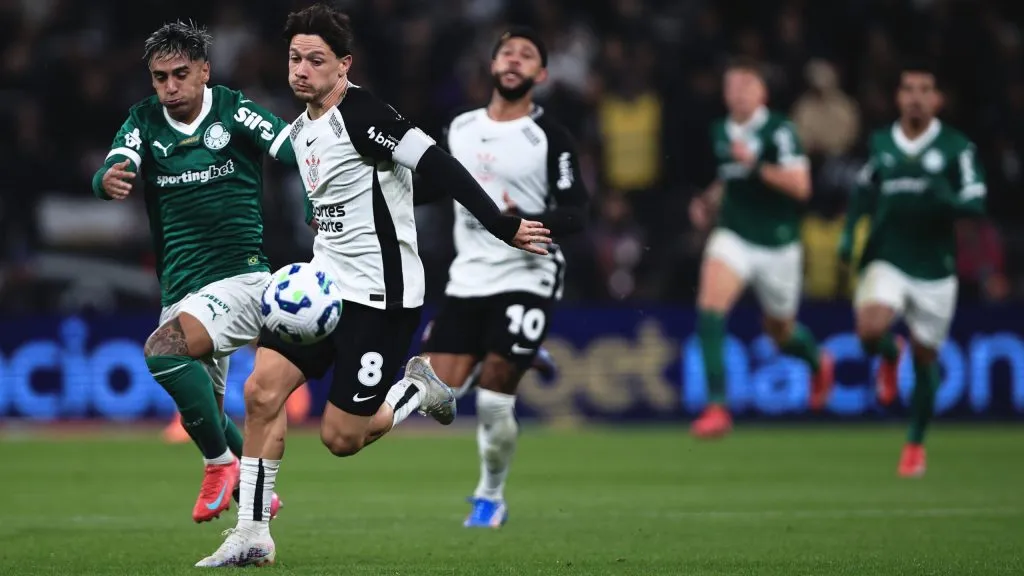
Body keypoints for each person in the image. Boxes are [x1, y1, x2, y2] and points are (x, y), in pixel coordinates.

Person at [196, 4, 551, 567]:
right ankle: (252, 533)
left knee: (341, 439)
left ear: (344, 65)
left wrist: (501, 225)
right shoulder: (300, 129)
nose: (301, 70)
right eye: (295, 59)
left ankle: (419, 387)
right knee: (261, 393)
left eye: (316, 60)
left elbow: (438, 163)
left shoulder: (365, 115)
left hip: (381, 300)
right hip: (320, 293)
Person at [93, 20, 288, 523]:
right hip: (181, 288)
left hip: (242, 279)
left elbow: (291, 149)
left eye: (181, 73)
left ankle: (220, 466)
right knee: (204, 409)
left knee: (163, 351)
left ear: (204, 70)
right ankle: (256, 498)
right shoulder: (144, 121)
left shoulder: (234, 110)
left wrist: (318, 194)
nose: (171, 87)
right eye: (160, 78)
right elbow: (118, 160)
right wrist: (105, 179)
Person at [418, 27, 588, 528]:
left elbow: (577, 212)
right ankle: (521, 352)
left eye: (527, 55)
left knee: (494, 395)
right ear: (492, 66)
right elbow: (430, 191)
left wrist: (525, 219)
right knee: (436, 394)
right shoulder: (460, 128)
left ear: (541, 74)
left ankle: (490, 496)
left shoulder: (551, 137)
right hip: (469, 275)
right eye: (506, 53)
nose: (514, 60)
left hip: (528, 271)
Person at [838, 63, 986, 477]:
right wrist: (849, 234)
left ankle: (915, 444)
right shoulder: (883, 142)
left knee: (926, 359)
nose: (916, 96)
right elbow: (863, 191)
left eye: (925, 89)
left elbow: (976, 203)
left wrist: (948, 200)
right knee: (869, 329)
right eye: (908, 89)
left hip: (935, 269)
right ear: (898, 97)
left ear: (937, 99)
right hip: (888, 256)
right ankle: (888, 352)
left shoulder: (958, 149)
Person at [687, 58, 834, 438]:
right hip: (734, 235)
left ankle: (818, 361)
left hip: (778, 244)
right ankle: (717, 407)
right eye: (731, 87)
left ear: (761, 92)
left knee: (780, 333)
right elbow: (729, 179)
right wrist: (708, 201)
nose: (737, 94)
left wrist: (756, 165)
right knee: (709, 306)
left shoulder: (779, 130)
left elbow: (801, 187)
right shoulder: (720, 130)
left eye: (745, 86)